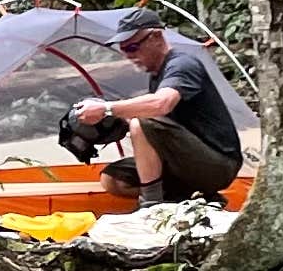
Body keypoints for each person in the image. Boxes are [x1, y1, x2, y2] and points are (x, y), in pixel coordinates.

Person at [70, 15, 245, 205]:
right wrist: (106, 125)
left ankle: (151, 206)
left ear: (155, 37)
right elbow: (164, 121)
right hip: (184, 159)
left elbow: (161, 105)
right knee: (113, 179)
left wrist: (107, 109)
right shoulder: (157, 75)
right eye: (123, 49)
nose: (128, 55)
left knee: (142, 123)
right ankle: (200, 199)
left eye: (132, 47)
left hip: (218, 164)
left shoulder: (182, 64)